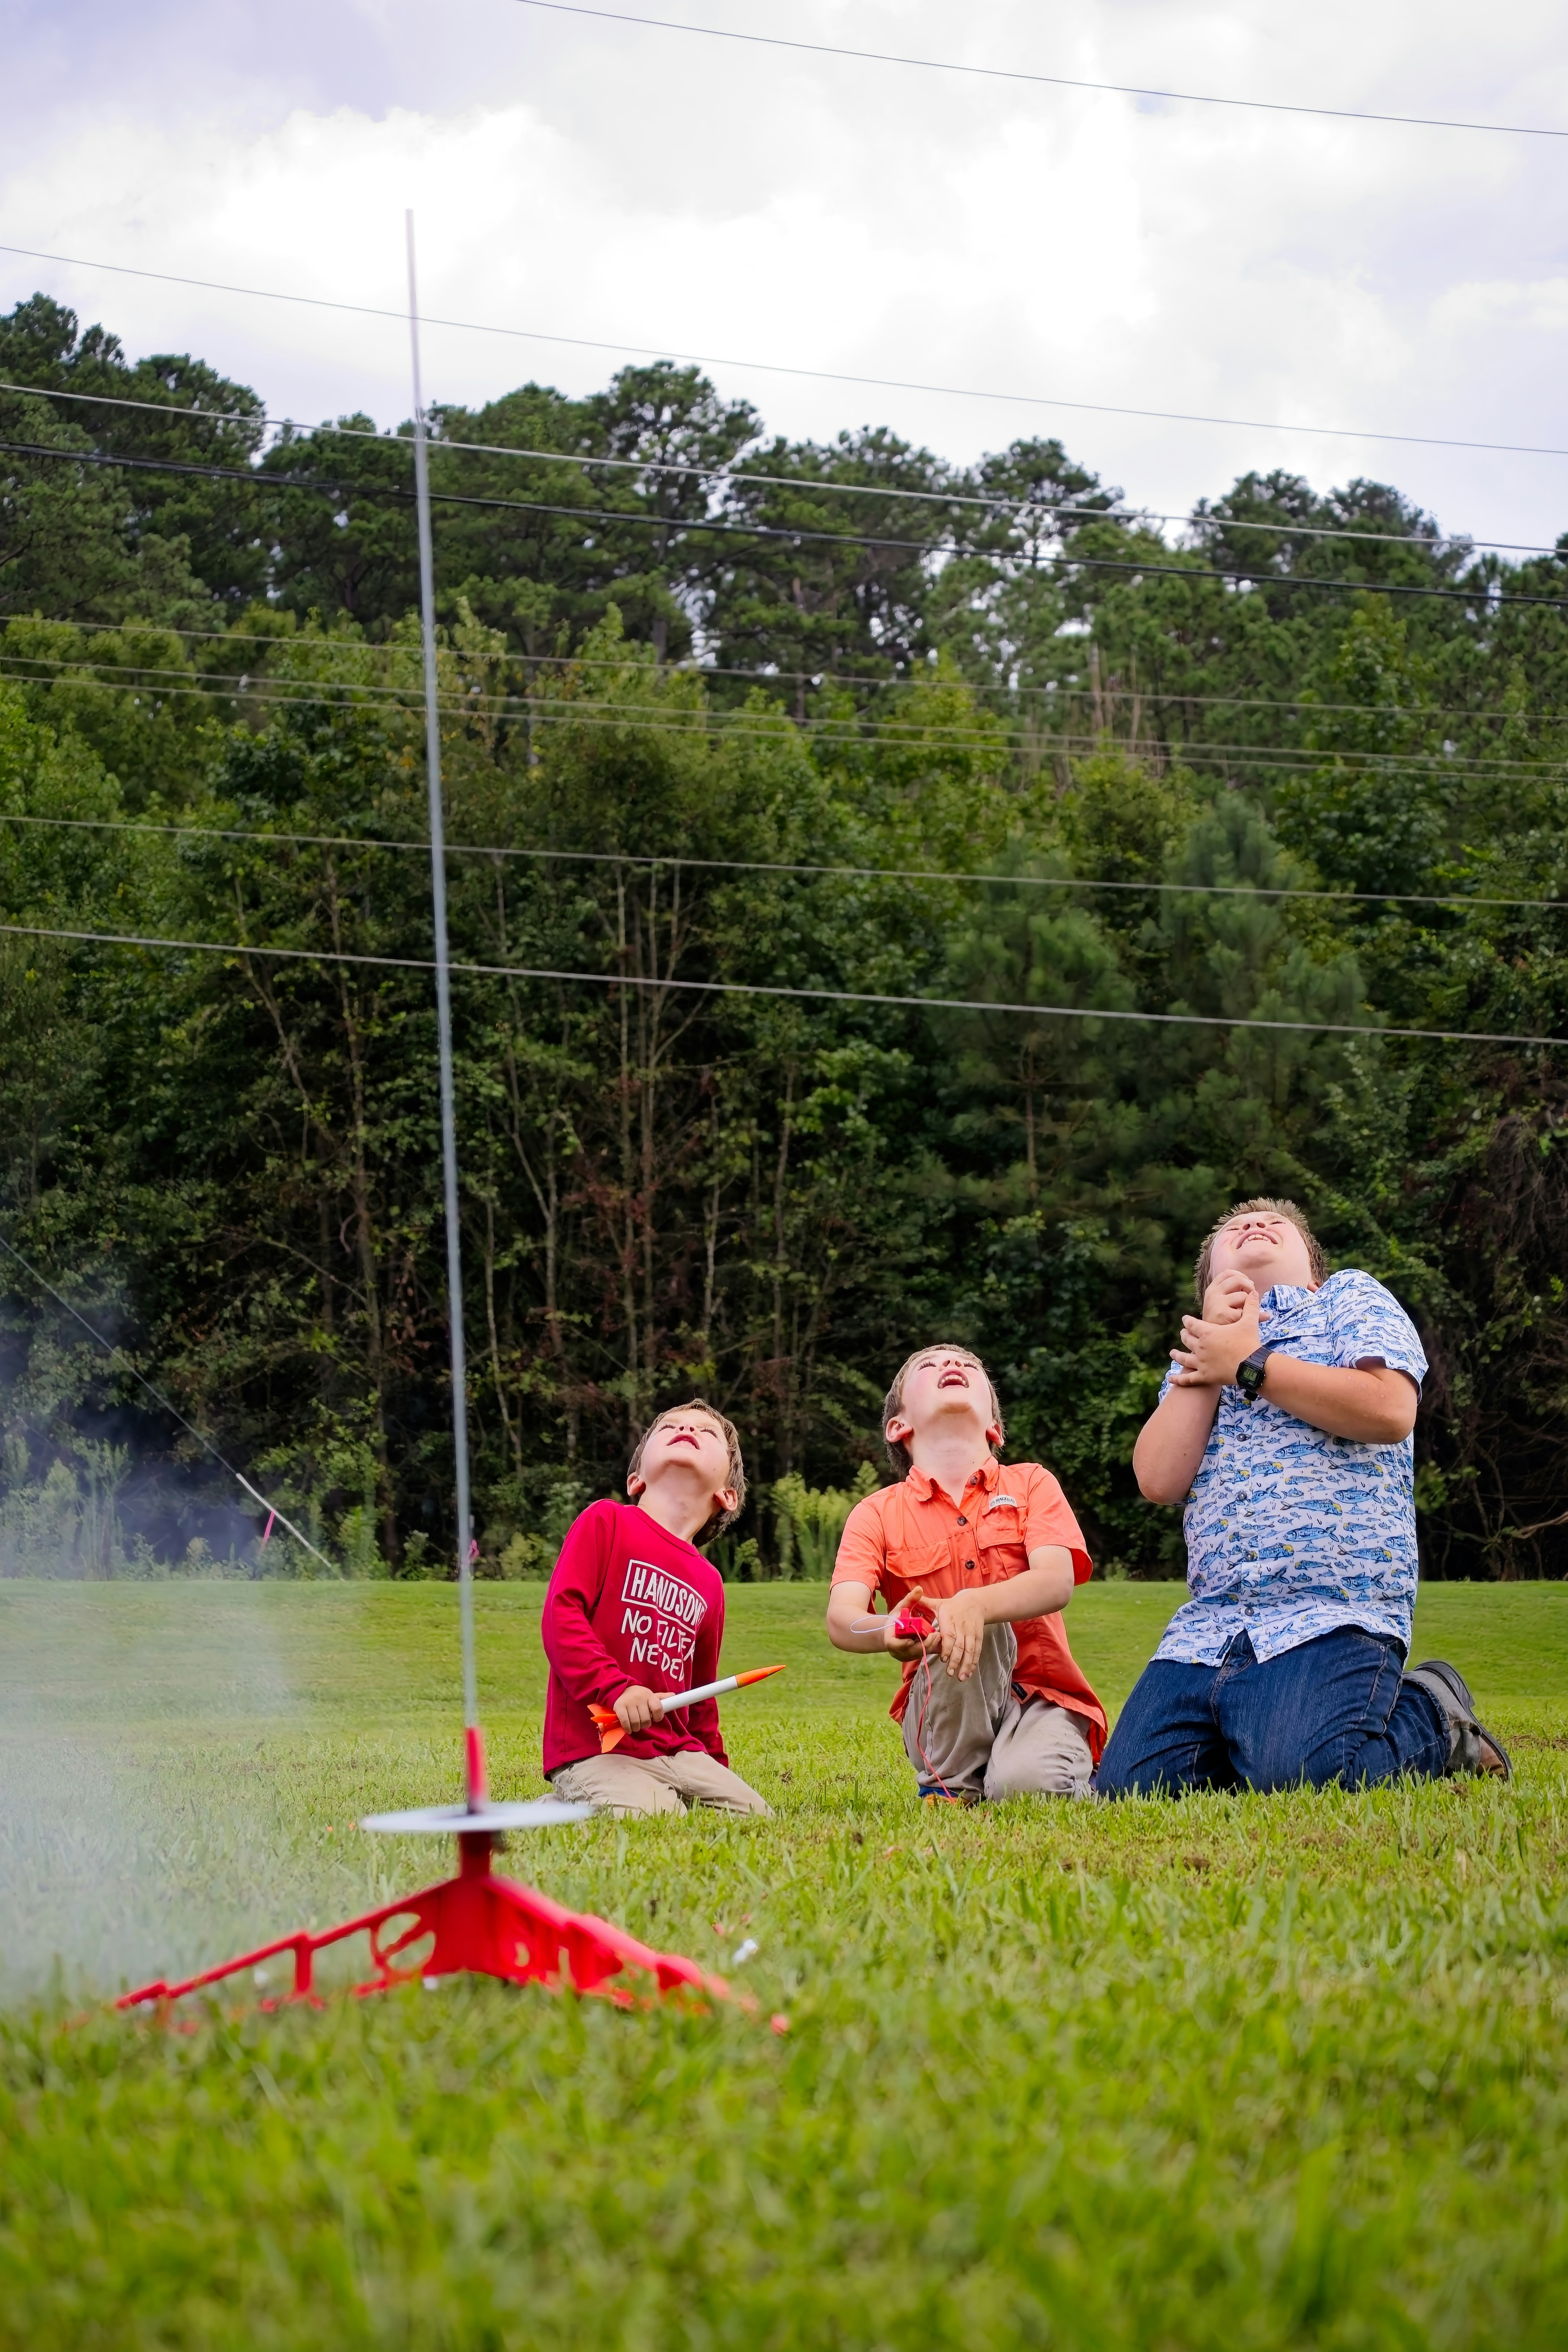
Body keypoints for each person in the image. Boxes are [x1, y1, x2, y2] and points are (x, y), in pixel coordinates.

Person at [1095, 1197, 1510, 1798]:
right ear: (1211, 1277)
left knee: (1311, 1779)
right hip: (1210, 1629)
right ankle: (1254, 1741)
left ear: (1311, 1268)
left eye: (1274, 1225)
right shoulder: (1198, 1358)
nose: (1254, 1225)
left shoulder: (1344, 1299)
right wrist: (1213, 1361)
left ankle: (1435, 1713)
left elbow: (1390, 1410)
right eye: (1235, 1228)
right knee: (1128, 1792)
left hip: (1331, 1610)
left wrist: (1250, 1361)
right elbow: (1160, 1479)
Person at [826, 1344, 1106, 1803]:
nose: (953, 1365)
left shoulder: (1032, 1483)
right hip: (944, 1709)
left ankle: (1052, 1773)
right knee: (958, 1619)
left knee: (1028, 1792)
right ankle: (951, 1787)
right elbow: (843, 1619)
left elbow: (1056, 1581)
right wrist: (887, 1630)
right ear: (898, 1426)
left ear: (994, 1427)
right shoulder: (875, 1514)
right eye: (929, 1366)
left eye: (969, 1366)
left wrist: (974, 1603)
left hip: (1043, 1700)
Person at [541, 1400, 772, 1818]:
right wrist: (616, 1690)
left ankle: (609, 1800)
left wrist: (714, 1768)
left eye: (706, 1432)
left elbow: (701, 1694)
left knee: (754, 1818)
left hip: (677, 1749)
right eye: (669, 1427)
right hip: (599, 1745)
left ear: (728, 1495)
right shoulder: (606, 1522)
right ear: (636, 1479)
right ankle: (557, 1808)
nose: (686, 1429)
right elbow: (563, 1617)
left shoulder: (710, 1584)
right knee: (659, 1818)